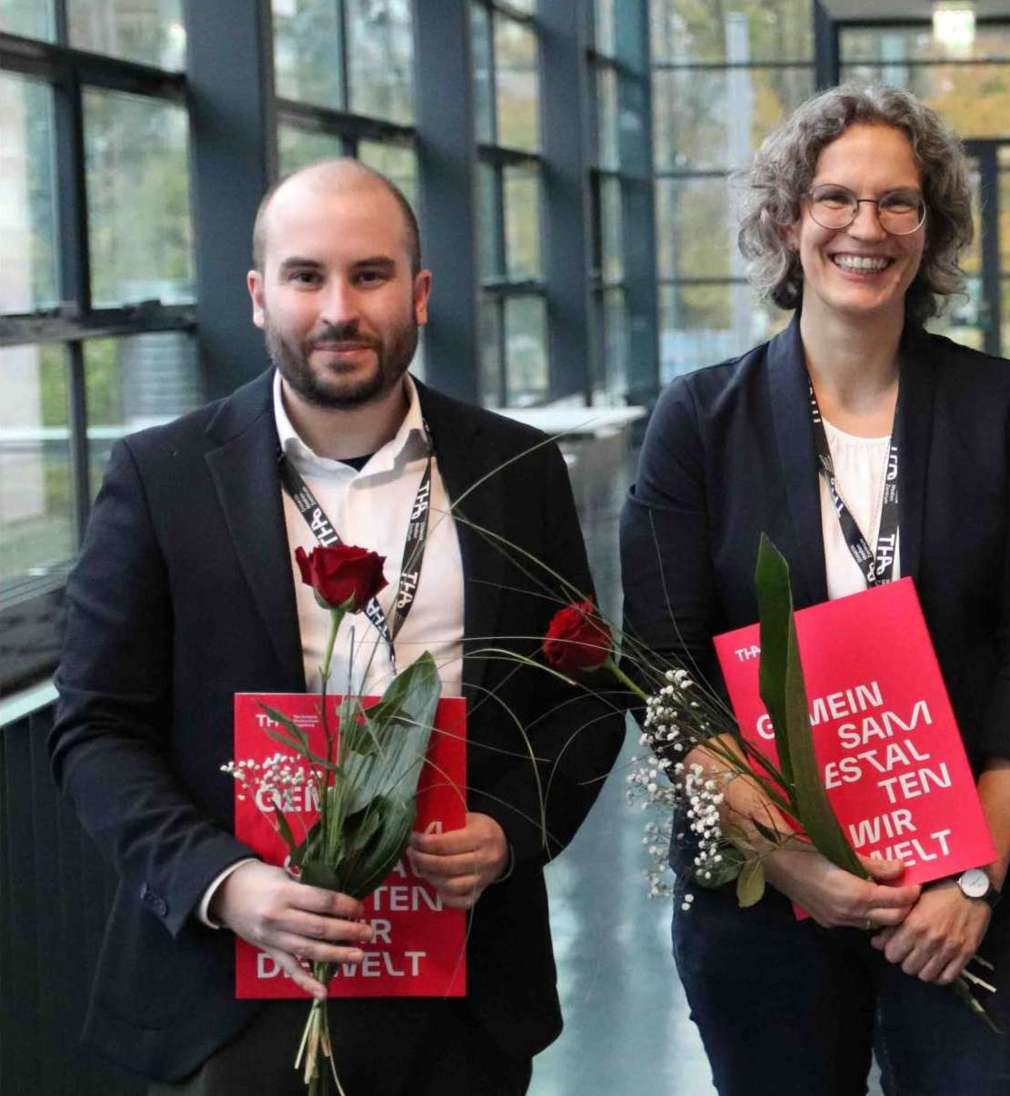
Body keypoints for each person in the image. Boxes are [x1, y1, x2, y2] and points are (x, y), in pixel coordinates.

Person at [47, 159, 624, 1094]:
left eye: (370, 275)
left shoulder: (517, 471)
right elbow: (97, 728)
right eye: (306, 276)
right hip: (232, 990)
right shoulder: (161, 478)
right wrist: (225, 884)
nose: (338, 310)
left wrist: (510, 831)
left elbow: (584, 701)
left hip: (465, 984)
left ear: (421, 292)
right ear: (257, 294)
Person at [619, 84, 1010, 1096]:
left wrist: (970, 878)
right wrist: (792, 863)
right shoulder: (699, 419)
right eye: (835, 199)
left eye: (898, 203)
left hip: (966, 901)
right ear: (789, 222)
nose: (865, 228)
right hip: (760, 906)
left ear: (931, 231)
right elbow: (662, 666)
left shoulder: (997, 406)